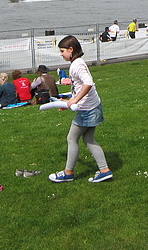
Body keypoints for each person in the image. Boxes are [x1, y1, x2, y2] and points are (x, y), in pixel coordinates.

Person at [48, 35, 112, 184]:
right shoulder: (77, 63)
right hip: (93, 107)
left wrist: (75, 100)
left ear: (71, 50)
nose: (61, 54)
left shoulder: (77, 64)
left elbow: (88, 83)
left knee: (71, 139)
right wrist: (69, 101)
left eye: (62, 51)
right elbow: (78, 87)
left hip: (87, 110)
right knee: (89, 139)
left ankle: (68, 173)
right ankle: (104, 171)